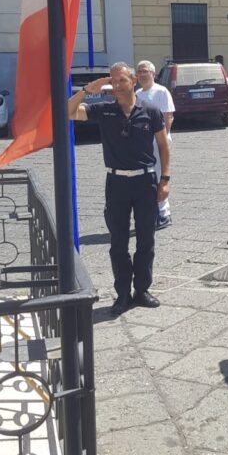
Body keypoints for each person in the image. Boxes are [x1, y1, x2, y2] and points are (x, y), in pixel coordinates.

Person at [68, 62, 170, 317]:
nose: (116, 85)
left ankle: (142, 290)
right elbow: (68, 112)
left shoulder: (151, 110)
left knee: (146, 238)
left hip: (145, 181)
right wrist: (85, 90)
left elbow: (164, 146)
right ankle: (123, 294)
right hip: (116, 183)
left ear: (134, 80)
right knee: (118, 242)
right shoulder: (104, 110)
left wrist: (165, 179)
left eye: (121, 80)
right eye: (112, 82)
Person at [135, 60, 175, 230]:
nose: (143, 74)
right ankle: (152, 212)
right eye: (140, 71)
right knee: (146, 178)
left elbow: (168, 116)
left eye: (146, 71)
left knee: (160, 176)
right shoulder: (137, 93)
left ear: (153, 73)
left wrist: (163, 139)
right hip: (141, 143)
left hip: (157, 142)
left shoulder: (161, 91)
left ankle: (164, 213)